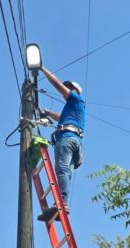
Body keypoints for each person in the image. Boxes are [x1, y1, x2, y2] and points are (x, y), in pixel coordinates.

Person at [37, 65, 85, 222]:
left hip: (67, 138)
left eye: (69, 88)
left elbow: (57, 85)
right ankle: (61, 204)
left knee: (62, 169)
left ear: (75, 90)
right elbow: (60, 118)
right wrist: (49, 113)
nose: (66, 89)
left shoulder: (76, 99)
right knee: (66, 172)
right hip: (74, 140)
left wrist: (42, 69)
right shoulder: (73, 108)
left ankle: (62, 203)